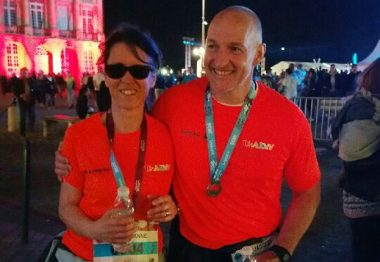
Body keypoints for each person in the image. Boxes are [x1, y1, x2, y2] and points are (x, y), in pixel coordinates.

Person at [56, 6, 321, 262]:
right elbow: (132, 137)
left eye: (235, 48)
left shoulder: (289, 119)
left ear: (259, 54)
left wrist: (284, 249)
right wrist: (69, 156)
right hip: (187, 249)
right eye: (213, 45)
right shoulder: (173, 103)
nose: (220, 60)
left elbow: (308, 191)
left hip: (254, 251)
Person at [49, 23, 178, 261]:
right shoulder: (79, 135)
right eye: (116, 70)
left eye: (139, 71)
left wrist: (170, 208)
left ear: (153, 77)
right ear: (105, 77)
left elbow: (174, 197)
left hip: (144, 255)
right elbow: (66, 207)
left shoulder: (167, 135)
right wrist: (94, 229)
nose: (127, 79)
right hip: (83, 254)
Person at [331, 58, 380, 262]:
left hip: (360, 194)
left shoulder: (360, 104)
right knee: (365, 251)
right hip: (365, 196)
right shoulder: (363, 109)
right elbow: (353, 153)